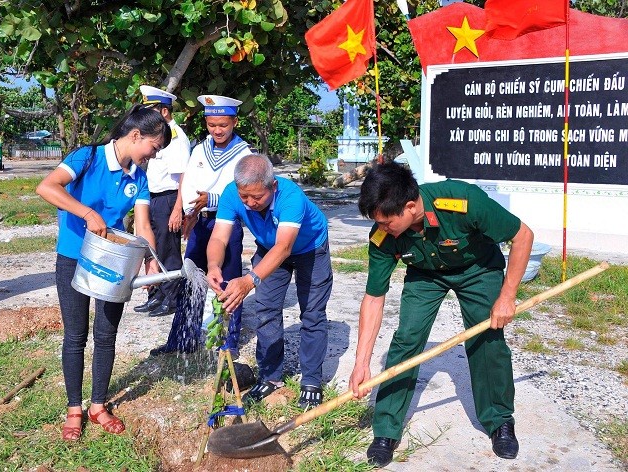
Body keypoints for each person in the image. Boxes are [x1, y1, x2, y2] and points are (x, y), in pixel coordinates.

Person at [349, 162, 534, 467]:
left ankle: (499, 420)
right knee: (406, 340)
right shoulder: (383, 237)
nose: (381, 229)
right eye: (377, 223)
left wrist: (507, 296)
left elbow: (523, 236)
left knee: (488, 339)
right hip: (425, 275)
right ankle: (386, 430)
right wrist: (361, 363)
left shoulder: (464, 202)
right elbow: (373, 298)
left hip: (479, 270)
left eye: (386, 222)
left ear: (410, 207)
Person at [36, 105, 171, 441]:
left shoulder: (138, 177)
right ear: (136, 135)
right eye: (153, 148)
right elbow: (47, 187)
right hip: (73, 257)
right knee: (75, 336)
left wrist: (150, 257)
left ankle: (97, 405)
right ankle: (74, 409)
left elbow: (141, 223)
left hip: (115, 263)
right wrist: (86, 213)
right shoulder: (87, 158)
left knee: (106, 335)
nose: (152, 157)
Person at [206, 153, 333, 409]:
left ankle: (311, 381)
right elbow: (219, 238)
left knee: (312, 314)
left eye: (258, 197)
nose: (250, 203)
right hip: (268, 248)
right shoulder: (232, 194)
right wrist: (213, 265)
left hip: (309, 249)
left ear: (272, 186)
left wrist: (249, 280)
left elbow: (284, 247)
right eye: (245, 197)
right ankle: (270, 377)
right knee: (266, 310)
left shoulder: (291, 196)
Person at [150, 95, 250, 356]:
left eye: (223, 125)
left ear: (234, 122)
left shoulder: (244, 154)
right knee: (190, 279)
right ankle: (182, 339)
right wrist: (187, 212)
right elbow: (187, 182)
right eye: (212, 124)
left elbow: (243, 193)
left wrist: (213, 199)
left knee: (228, 283)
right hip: (200, 222)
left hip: (226, 224)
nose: (217, 130)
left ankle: (228, 342)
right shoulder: (200, 149)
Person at [133, 85, 191, 317]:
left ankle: (172, 298)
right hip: (153, 198)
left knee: (168, 251)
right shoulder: (156, 135)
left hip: (168, 199)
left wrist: (178, 209)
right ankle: (155, 295)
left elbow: (183, 178)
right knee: (153, 249)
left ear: (164, 112)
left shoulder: (176, 138)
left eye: (153, 111)